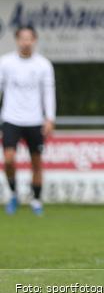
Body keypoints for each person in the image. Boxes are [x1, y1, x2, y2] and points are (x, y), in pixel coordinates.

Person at [1, 26, 56, 216]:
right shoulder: (5, 63)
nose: (26, 42)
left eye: (29, 38)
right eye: (22, 38)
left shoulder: (43, 65)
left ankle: (36, 200)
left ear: (35, 40)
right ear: (17, 40)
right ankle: (14, 194)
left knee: (37, 162)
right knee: (8, 160)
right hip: (10, 118)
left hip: (34, 120)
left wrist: (50, 118)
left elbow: (48, 93)